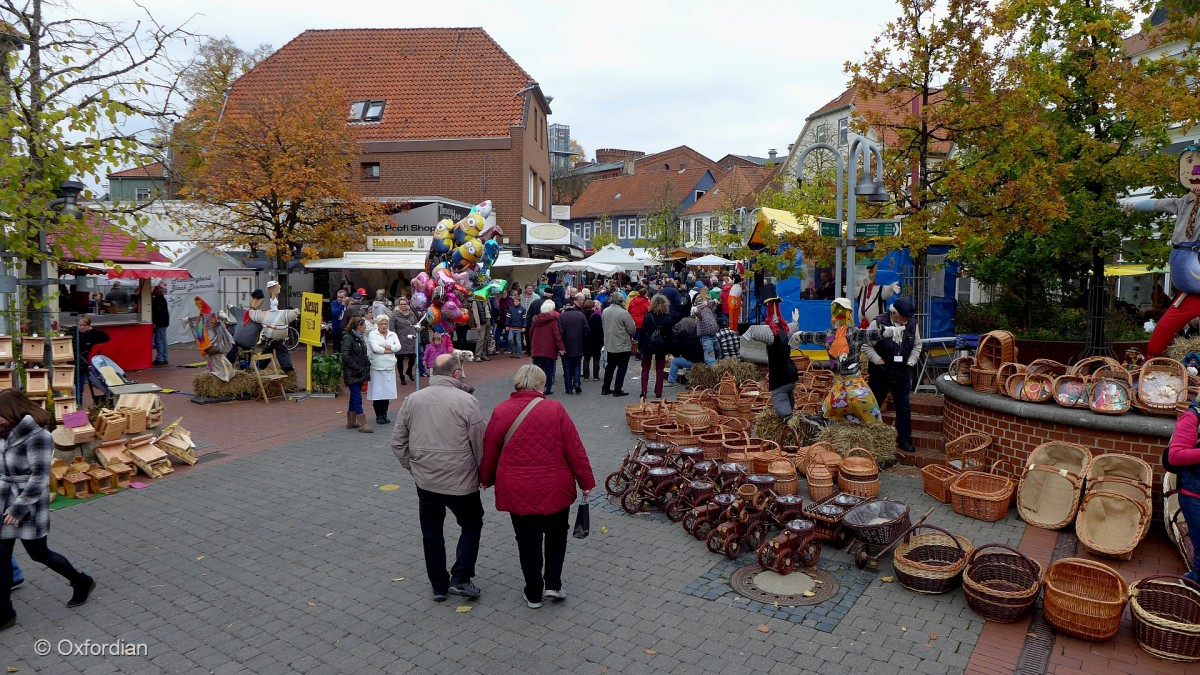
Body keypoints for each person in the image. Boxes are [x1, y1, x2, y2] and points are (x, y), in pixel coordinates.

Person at [480, 365, 595, 608]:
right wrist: (586, 482)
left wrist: (486, 478)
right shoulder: (555, 408)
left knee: (527, 540)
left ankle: (533, 593)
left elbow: (490, 450)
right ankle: (553, 584)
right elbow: (574, 449)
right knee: (556, 536)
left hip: (517, 489)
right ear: (541, 385)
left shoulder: (501, 410)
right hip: (554, 487)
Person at [391, 354, 486, 602]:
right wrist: (484, 474)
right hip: (461, 480)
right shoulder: (467, 401)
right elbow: (480, 444)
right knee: (472, 523)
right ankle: (461, 577)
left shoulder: (413, 399)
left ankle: (439, 585)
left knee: (432, 531)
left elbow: (398, 442)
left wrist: (414, 467)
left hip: (427, 480)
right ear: (456, 373)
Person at [0, 389, 95, 631]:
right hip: (3, 500)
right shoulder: (2, 432)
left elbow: (39, 478)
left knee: (38, 553)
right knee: (0, 557)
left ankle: (81, 581)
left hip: (27, 503)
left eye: (1, 415)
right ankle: (4, 613)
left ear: (14, 411)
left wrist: (19, 508)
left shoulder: (38, 435)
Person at [863, 297, 923, 452]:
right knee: (873, 406)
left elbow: (917, 345)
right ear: (894, 313)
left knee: (904, 408)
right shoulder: (877, 323)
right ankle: (867, 437)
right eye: (904, 317)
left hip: (901, 371)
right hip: (880, 371)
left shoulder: (912, 324)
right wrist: (878, 361)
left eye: (908, 318)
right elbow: (866, 344)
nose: (906, 320)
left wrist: (910, 363)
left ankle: (904, 439)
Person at [1166, 402, 1200, 583]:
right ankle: (1193, 586)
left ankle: (1192, 580)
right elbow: (1176, 455)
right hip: (1194, 494)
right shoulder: (1193, 416)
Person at [367, 315, 402, 425]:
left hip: (390, 366)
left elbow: (398, 347)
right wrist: (390, 349)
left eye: (385, 324)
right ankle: (379, 416)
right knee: (377, 392)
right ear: (377, 324)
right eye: (381, 324)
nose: (384, 326)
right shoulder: (373, 334)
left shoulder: (393, 334)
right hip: (377, 367)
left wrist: (385, 346)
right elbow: (376, 349)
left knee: (387, 392)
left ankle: (385, 414)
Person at [340, 316, 373, 433]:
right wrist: (357, 368)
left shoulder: (360, 338)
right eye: (364, 325)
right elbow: (345, 356)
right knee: (357, 398)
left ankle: (351, 421)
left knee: (354, 397)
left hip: (359, 372)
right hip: (353, 373)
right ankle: (362, 423)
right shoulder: (348, 338)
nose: (365, 327)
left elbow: (362, 355)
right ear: (359, 326)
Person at [638, 294, 674, 399]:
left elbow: (643, 332)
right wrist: (669, 349)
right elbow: (669, 336)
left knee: (645, 368)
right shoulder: (667, 318)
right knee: (659, 368)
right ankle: (658, 391)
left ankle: (644, 390)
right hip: (661, 345)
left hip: (648, 344)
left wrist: (640, 346)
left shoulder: (648, 316)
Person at [601, 293, 636, 397]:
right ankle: (617, 389)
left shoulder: (605, 311)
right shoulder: (624, 313)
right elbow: (631, 328)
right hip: (622, 344)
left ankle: (605, 388)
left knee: (610, 366)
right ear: (621, 301)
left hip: (610, 343)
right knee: (622, 367)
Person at [72, 315, 110, 405]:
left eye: (84, 325)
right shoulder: (72, 332)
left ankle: (79, 406)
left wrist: (92, 330)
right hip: (71, 363)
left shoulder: (91, 335)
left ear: (88, 326)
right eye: (80, 325)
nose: (82, 327)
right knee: (70, 388)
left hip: (82, 364)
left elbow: (106, 338)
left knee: (80, 388)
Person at [530, 301, 565, 396]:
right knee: (549, 370)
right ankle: (547, 388)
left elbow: (531, 333)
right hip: (549, 349)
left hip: (537, 349)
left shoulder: (536, 320)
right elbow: (556, 335)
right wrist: (561, 348)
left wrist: (532, 345)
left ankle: (537, 388)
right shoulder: (553, 320)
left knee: (538, 370)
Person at [558, 293, 589, 395]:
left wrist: (561, 346)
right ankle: (577, 383)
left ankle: (568, 387)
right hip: (579, 345)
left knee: (566, 367)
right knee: (577, 365)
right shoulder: (581, 315)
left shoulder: (562, 317)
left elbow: (560, 333)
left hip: (566, 345)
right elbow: (586, 330)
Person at [666, 308, 704, 387]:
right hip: (700, 359)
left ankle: (671, 380)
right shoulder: (696, 337)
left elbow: (676, 354)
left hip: (692, 360)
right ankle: (689, 379)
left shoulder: (680, 341)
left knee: (675, 361)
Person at [856, 261, 900, 328]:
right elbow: (853, 290)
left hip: (877, 326)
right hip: (863, 326)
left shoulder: (880, 289)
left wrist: (892, 287)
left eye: (871, 271)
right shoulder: (862, 290)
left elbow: (887, 289)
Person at [392, 298, 418, 386]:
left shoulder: (411, 313)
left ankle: (409, 371)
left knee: (412, 356)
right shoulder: (394, 315)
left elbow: (416, 324)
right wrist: (394, 339)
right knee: (400, 358)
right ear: (398, 305)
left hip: (411, 337)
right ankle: (401, 376)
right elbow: (392, 328)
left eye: (404, 304)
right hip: (401, 338)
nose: (403, 306)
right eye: (401, 304)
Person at [582, 300, 604, 381]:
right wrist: (602, 341)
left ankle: (586, 376)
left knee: (586, 358)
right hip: (596, 339)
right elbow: (600, 330)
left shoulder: (582, 315)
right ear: (592, 306)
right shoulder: (596, 316)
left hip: (586, 339)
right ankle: (596, 376)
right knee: (596, 358)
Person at [695, 298, 718, 366]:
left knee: (718, 353)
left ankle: (716, 365)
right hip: (706, 338)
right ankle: (714, 369)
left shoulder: (708, 307)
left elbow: (711, 303)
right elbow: (697, 312)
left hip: (714, 336)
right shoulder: (700, 310)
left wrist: (714, 301)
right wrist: (698, 308)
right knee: (709, 355)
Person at [151, 283, 170, 365]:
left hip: (160, 323)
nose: (153, 291)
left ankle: (160, 358)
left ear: (159, 291)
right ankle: (164, 357)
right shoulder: (162, 299)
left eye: (155, 290)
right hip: (164, 322)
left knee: (159, 341)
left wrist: (155, 323)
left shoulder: (157, 300)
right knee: (163, 340)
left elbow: (156, 313)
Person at [506, 294, 527, 358]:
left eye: (517, 301)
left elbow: (524, 319)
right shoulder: (511, 308)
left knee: (518, 341)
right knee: (510, 339)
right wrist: (507, 325)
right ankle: (513, 350)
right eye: (514, 301)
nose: (515, 303)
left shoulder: (523, 309)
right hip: (511, 327)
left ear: (519, 302)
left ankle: (518, 353)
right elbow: (508, 317)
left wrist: (524, 326)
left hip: (519, 327)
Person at [330, 289, 349, 355]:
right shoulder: (334, 303)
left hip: (346, 329)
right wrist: (342, 305)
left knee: (346, 347)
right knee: (336, 349)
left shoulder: (349, 303)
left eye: (341, 297)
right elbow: (335, 314)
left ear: (345, 297)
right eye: (338, 297)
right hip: (336, 329)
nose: (339, 299)